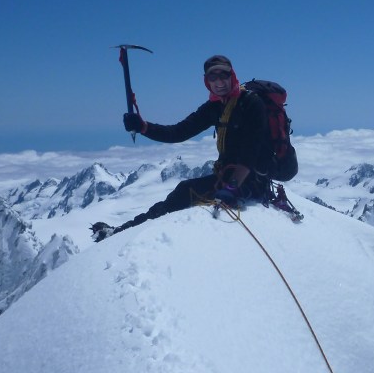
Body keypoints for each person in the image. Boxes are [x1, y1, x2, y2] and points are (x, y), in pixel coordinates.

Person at [91, 54, 270, 241]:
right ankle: (124, 230)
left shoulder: (251, 104)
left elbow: (250, 152)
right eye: (213, 77)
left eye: (223, 75)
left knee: (184, 191)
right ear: (207, 81)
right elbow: (178, 132)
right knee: (183, 190)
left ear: (231, 76)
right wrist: (143, 127)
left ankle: (120, 233)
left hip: (250, 181)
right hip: (228, 178)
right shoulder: (215, 106)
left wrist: (232, 187)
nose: (219, 82)